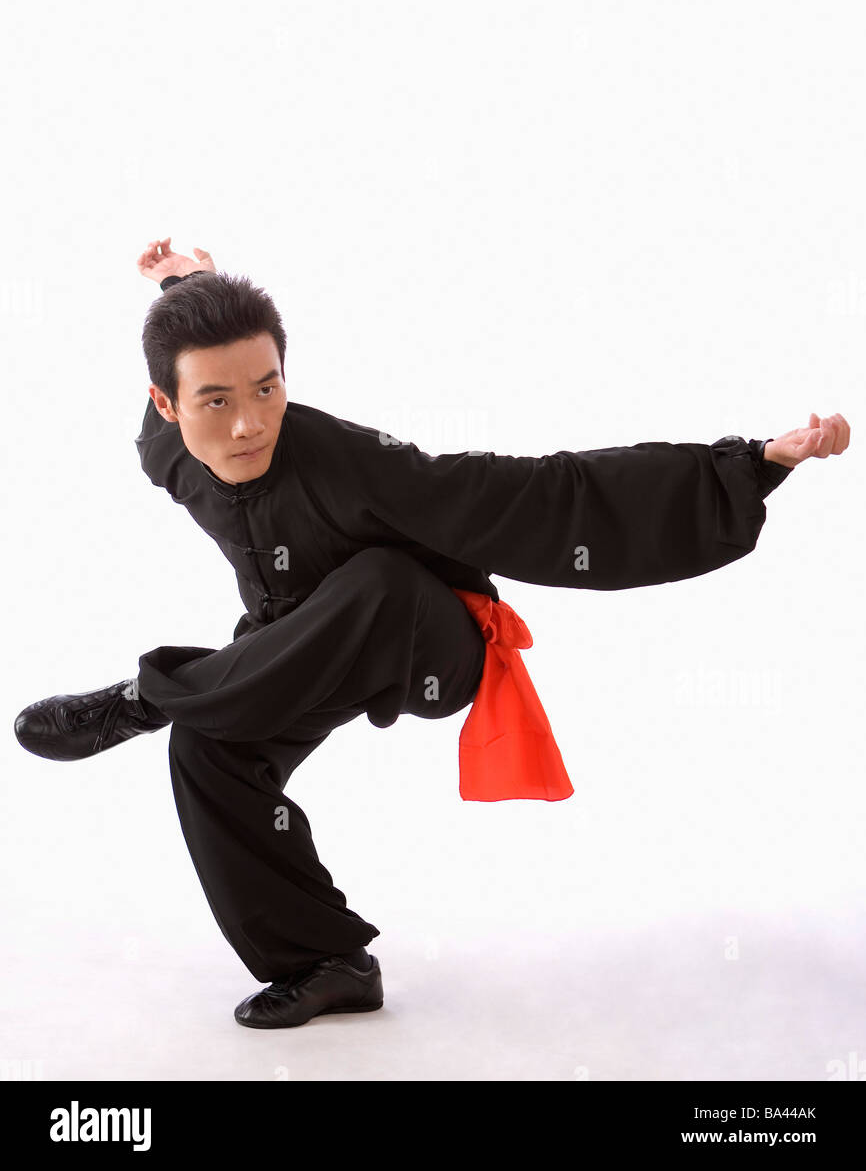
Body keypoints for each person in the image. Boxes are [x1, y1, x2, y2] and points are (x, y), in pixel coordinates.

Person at [14, 238, 851, 1030]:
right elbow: (194, 346)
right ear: (167, 406)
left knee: (376, 582)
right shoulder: (167, 452)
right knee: (208, 749)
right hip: (295, 649)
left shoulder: (353, 463)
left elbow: (540, 492)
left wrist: (750, 465)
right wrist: (185, 283)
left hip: (425, 641)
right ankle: (325, 962)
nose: (249, 424)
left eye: (268, 389)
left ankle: (145, 699)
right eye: (217, 402)